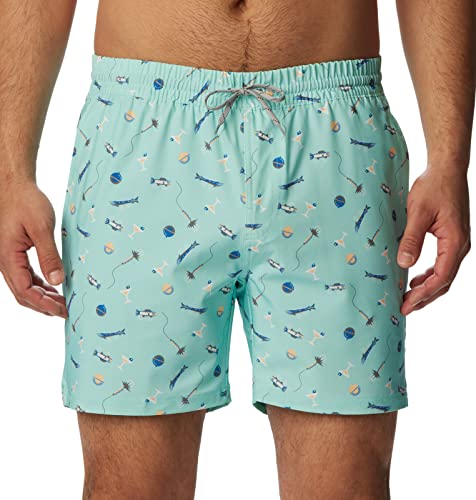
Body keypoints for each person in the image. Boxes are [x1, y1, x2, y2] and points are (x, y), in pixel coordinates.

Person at [0, 1, 473, 498]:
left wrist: (450, 161)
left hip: (336, 138)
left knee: (347, 486)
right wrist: (11, 175)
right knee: (128, 486)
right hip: (141, 138)